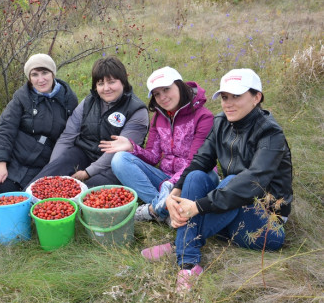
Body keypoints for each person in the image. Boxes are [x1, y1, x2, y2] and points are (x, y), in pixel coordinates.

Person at [141, 69, 293, 292]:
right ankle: (189, 265)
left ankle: (181, 246)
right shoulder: (221, 122)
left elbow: (252, 182)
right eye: (224, 97)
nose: (228, 104)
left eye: (236, 96)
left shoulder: (270, 134)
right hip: (229, 208)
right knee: (195, 176)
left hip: (265, 225)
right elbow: (201, 159)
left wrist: (198, 206)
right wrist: (176, 191)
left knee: (233, 179)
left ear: (257, 97)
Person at [99, 66, 216, 222]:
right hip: (165, 179)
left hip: (192, 179)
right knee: (120, 159)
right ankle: (166, 211)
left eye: (167, 89)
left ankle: (155, 209)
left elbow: (196, 162)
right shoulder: (158, 117)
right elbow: (153, 157)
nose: (162, 97)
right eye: (157, 94)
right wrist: (132, 147)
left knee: (198, 176)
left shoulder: (203, 117)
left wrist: (172, 184)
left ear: (180, 85)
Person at [0, 53, 78, 194]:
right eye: (35, 74)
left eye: (45, 73)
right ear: (29, 78)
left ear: (53, 74)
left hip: (36, 161)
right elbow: (5, 128)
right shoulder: (22, 96)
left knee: (4, 193)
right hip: (10, 150)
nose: (40, 79)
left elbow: (71, 136)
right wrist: (0, 163)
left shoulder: (69, 100)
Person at [29, 56, 149, 187]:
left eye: (111, 82)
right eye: (100, 83)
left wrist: (87, 173)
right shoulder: (88, 102)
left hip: (115, 163)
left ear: (123, 82)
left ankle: (69, 204)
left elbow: (119, 150)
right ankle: (24, 200)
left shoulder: (137, 110)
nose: (106, 88)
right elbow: (68, 136)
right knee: (52, 173)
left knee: (87, 190)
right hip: (84, 153)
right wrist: (54, 166)